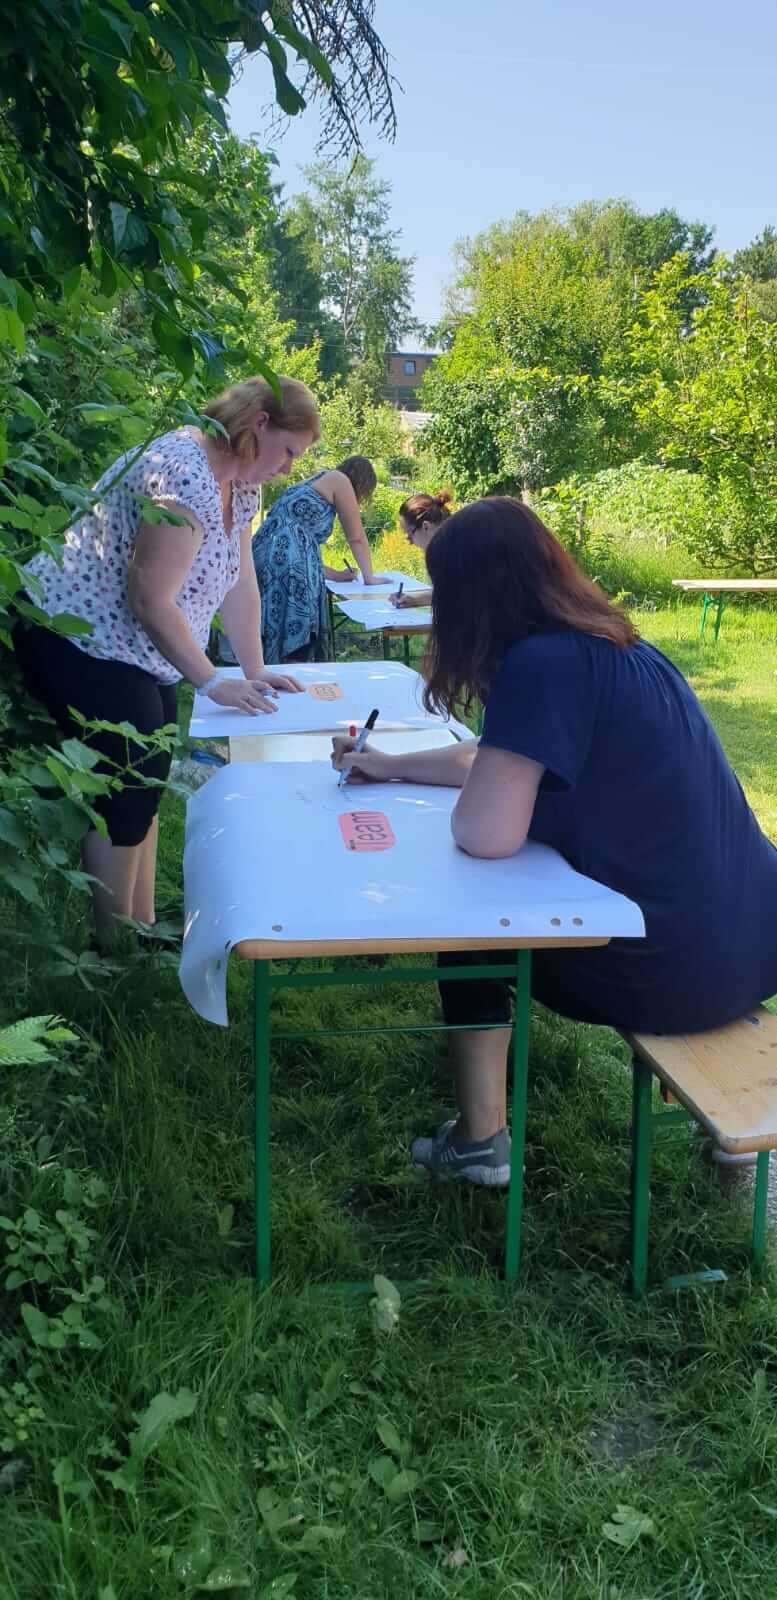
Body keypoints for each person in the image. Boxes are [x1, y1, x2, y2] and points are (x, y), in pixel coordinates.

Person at [332, 497, 777, 1188]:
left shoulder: (539, 665)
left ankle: (478, 1145)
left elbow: (485, 834)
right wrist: (387, 764)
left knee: (471, 927)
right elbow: (494, 756)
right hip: (753, 948)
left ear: (469, 597)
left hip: (666, 972)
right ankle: (729, 1143)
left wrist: (467, 803)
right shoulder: (613, 643)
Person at [14, 375, 319, 945]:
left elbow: (239, 583)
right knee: (129, 779)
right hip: (73, 633)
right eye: (289, 453)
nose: (289, 469)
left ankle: (143, 926)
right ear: (258, 426)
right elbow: (150, 597)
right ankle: (111, 951)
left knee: (146, 772)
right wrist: (210, 680)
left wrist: (253, 670)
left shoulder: (243, 484)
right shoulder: (183, 472)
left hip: (141, 648)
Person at [249, 456, 391, 663]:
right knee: (298, 636)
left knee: (270, 627)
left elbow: (300, 549)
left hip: (261, 557)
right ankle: (293, 679)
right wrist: (370, 577)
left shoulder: (314, 481)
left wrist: (338, 575)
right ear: (363, 483)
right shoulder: (340, 481)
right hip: (288, 567)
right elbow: (356, 537)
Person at [388, 490, 452, 608]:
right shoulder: (444, 548)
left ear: (426, 527)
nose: (409, 542)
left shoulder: (458, 551)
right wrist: (413, 600)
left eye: (409, 534)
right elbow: (444, 594)